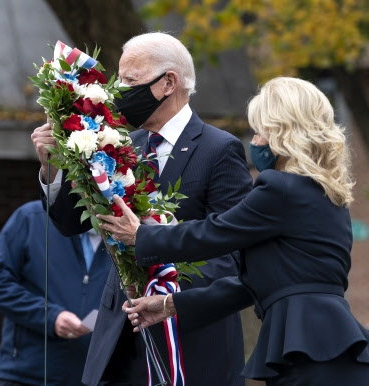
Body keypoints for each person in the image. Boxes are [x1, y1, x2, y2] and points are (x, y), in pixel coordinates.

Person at [98, 77, 369, 386]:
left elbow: (215, 233)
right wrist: (170, 305)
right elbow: (250, 284)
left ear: (281, 132)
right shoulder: (326, 194)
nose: (257, 141)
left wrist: (141, 236)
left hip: (308, 349)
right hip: (326, 347)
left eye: (260, 130)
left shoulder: (280, 189)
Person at [31, 31, 253, 386]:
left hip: (188, 338)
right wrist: (52, 167)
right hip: (122, 336)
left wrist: (165, 291)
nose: (118, 92)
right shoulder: (121, 144)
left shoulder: (219, 149)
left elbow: (231, 250)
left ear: (168, 83)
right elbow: (71, 223)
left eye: (130, 81)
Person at [0, 200, 111, 386]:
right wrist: (49, 316)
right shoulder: (31, 218)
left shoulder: (125, 233)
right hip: (28, 375)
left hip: (92, 378)